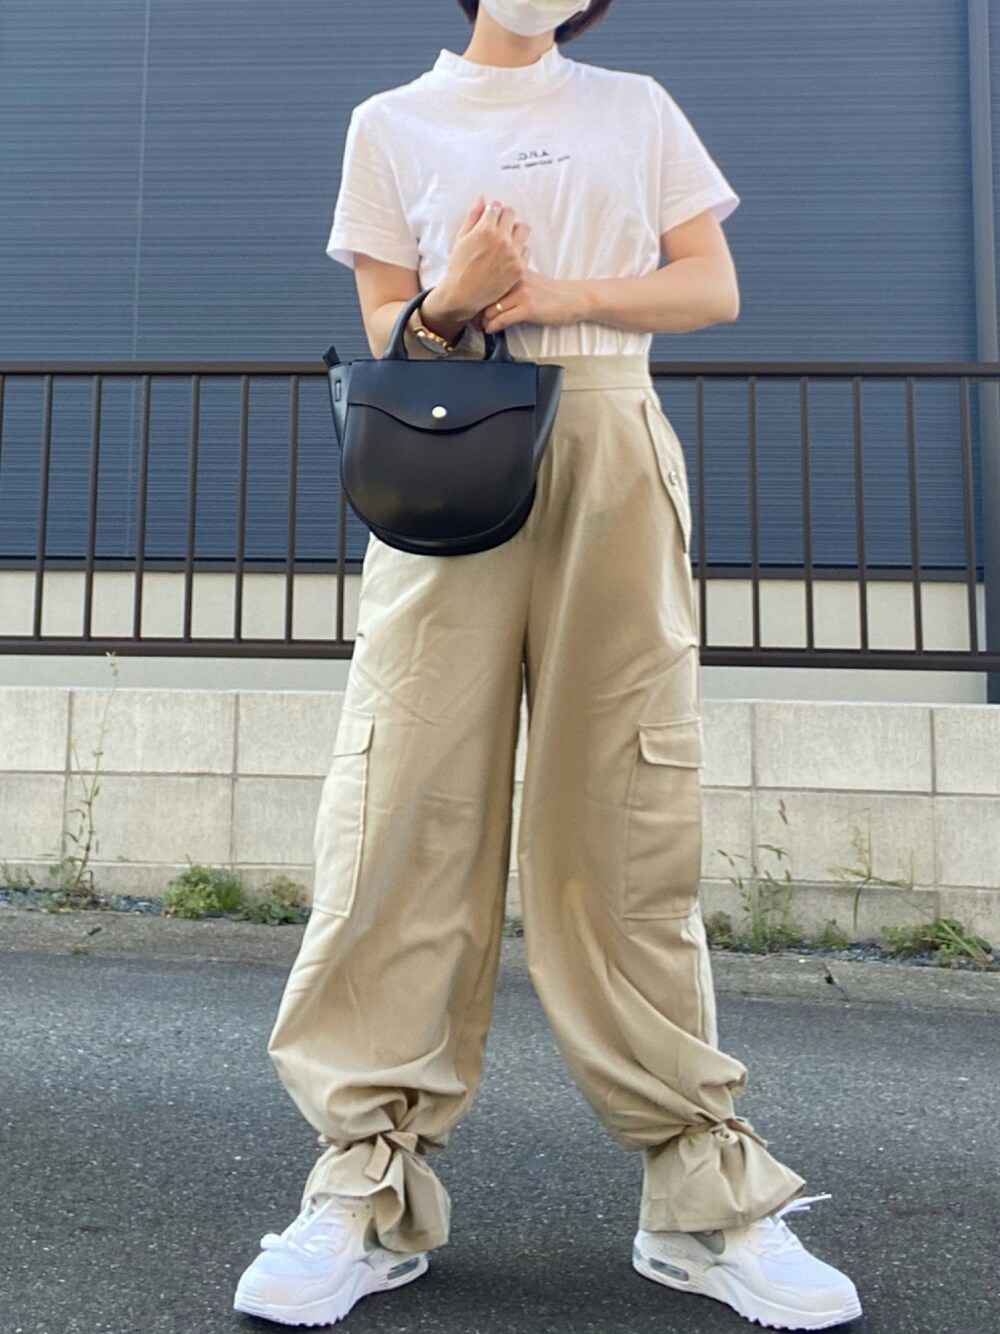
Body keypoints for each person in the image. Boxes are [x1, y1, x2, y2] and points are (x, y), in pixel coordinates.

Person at [234, 2, 863, 1329]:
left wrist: (556, 293)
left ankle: (700, 1193)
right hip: (448, 442)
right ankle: (365, 1181)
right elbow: (389, 327)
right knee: (402, 804)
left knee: (629, 813)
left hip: (611, 439)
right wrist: (455, 296)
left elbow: (711, 287)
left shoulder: (634, 106)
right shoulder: (389, 123)